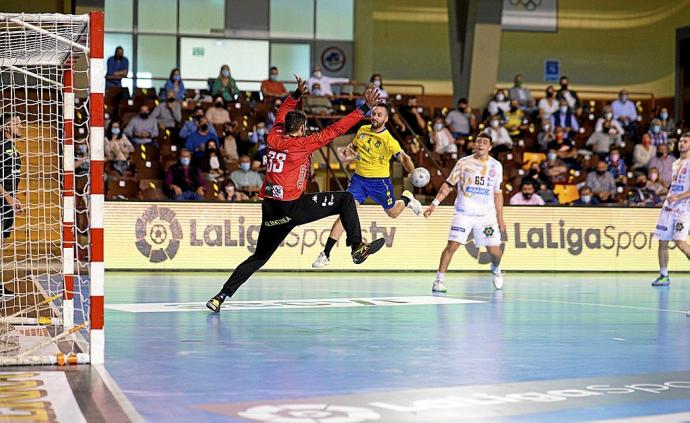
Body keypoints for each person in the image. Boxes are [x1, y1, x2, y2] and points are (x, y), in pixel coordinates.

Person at [206, 77, 386, 312]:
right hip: (293, 207)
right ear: (301, 129)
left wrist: (296, 95)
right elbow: (336, 129)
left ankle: (220, 296)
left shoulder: (273, 138)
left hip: (270, 209)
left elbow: (283, 111)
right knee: (346, 199)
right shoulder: (302, 144)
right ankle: (356, 247)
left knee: (259, 257)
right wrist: (364, 108)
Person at [312, 103, 422, 268]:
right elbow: (353, 147)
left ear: (385, 119)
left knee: (393, 213)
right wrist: (348, 152)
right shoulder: (363, 130)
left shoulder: (388, 139)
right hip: (359, 181)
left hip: (380, 183)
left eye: (379, 115)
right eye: (373, 114)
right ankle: (325, 254)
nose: (375, 117)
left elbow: (404, 157)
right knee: (345, 215)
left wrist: (412, 171)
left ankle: (407, 199)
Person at [424, 132, 505, 292]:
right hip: (464, 213)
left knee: (495, 252)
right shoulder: (463, 163)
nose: (481, 144)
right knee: (451, 246)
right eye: (478, 141)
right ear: (475, 144)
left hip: (486, 216)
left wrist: (500, 218)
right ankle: (439, 280)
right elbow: (448, 184)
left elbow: (497, 193)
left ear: (490, 146)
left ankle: (496, 268)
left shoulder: (496, 166)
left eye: (485, 142)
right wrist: (434, 203)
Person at [651, 133, 690, 286]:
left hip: (684, 209)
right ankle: (664, 275)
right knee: (662, 241)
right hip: (669, 207)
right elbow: (674, 185)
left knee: (680, 242)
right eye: (680, 141)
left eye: (685, 141)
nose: (681, 143)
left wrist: (679, 197)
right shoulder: (675, 163)